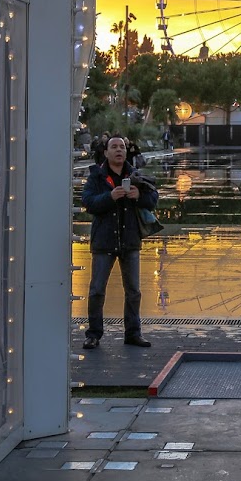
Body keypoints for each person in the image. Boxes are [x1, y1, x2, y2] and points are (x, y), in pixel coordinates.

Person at [80, 135, 159, 349]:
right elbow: (87, 202)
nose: (118, 150)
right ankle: (94, 334)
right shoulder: (96, 176)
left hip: (129, 240)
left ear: (126, 152)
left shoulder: (135, 174)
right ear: (106, 152)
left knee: (133, 290)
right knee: (97, 290)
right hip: (104, 242)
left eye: (121, 147)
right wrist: (110, 197)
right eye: (113, 147)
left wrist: (138, 196)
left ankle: (133, 333)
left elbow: (153, 200)